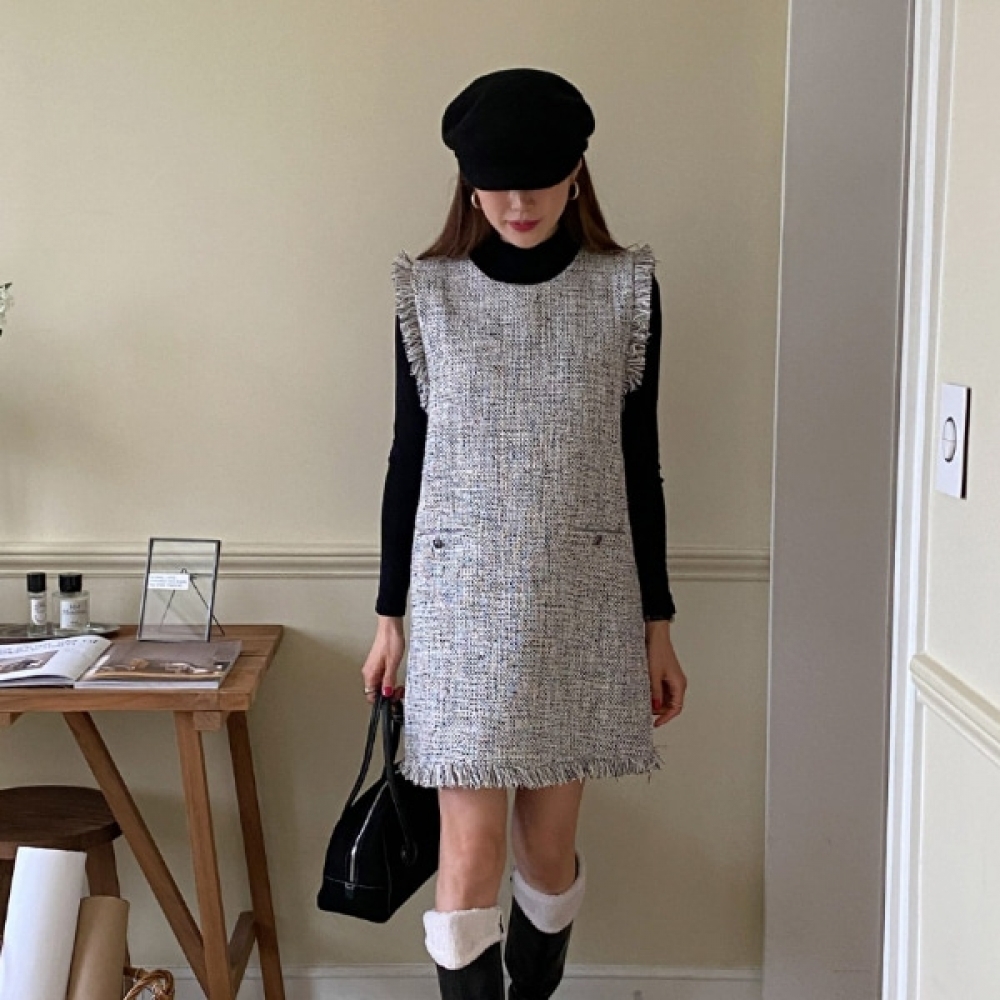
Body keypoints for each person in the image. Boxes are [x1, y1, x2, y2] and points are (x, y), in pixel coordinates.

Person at [361, 68, 687, 1000]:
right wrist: (390, 618)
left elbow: (639, 466)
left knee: (546, 856)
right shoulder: (428, 294)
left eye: (537, 180)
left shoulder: (624, 291)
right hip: (460, 613)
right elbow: (407, 459)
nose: (517, 203)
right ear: (467, 185)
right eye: (494, 183)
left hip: (579, 605)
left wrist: (658, 626)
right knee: (467, 859)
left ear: (576, 172)